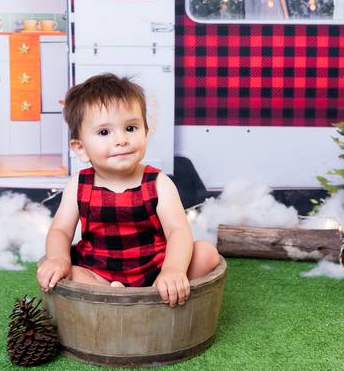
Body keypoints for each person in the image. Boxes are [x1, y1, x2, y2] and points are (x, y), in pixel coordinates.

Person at [37, 73, 220, 307]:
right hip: (98, 274)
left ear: (146, 132)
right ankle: (113, 295)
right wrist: (58, 258)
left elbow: (178, 230)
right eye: (104, 132)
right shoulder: (79, 185)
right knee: (68, 274)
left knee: (206, 253)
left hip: (155, 271)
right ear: (80, 148)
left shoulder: (158, 182)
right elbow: (61, 230)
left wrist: (173, 269)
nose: (121, 139)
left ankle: (157, 293)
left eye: (131, 128)